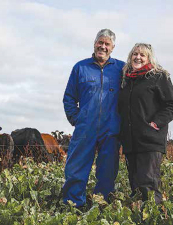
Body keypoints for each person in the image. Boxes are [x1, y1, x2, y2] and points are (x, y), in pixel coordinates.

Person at [62, 29, 125, 207]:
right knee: (76, 168)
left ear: (113, 47)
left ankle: (101, 204)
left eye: (107, 44)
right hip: (85, 127)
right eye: (100, 42)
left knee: (107, 170)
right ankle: (73, 205)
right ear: (94, 43)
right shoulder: (80, 68)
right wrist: (77, 119)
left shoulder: (121, 68)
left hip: (111, 128)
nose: (103, 47)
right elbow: (69, 98)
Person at [118, 43, 173, 204]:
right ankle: (140, 218)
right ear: (130, 57)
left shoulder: (159, 76)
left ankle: (153, 217)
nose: (138, 57)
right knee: (135, 185)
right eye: (135, 54)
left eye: (142, 55)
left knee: (148, 184)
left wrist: (155, 123)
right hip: (131, 142)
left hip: (150, 140)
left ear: (149, 58)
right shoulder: (127, 80)